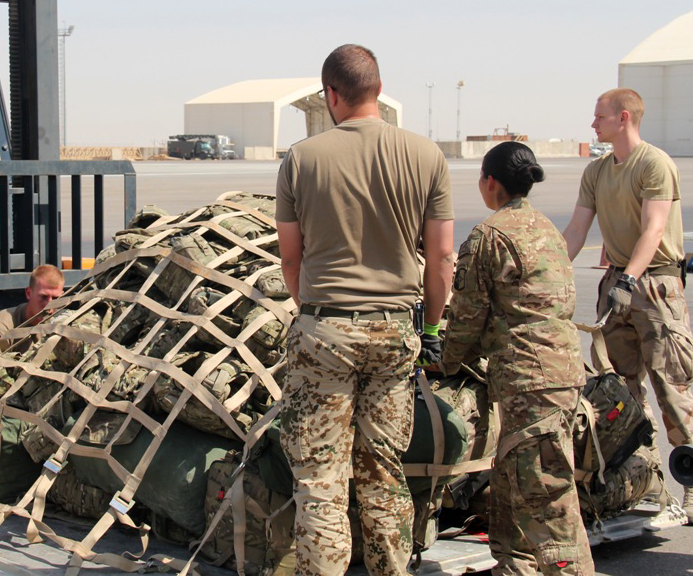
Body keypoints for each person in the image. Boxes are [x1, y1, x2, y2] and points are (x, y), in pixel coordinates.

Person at [275, 44, 454, 576]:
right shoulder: (426, 156)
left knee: (321, 481)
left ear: (332, 93)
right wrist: (434, 327)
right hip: (397, 331)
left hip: (326, 327)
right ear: (379, 88)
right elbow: (441, 257)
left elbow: (290, 257)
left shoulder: (303, 158)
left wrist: (311, 308)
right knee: (383, 471)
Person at [442, 142, 594, 575]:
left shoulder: (490, 235)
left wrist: (447, 360)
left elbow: (467, 316)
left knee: (547, 494)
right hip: (560, 371)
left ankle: (569, 569)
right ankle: (515, 566)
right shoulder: (546, 228)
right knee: (510, 480)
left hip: (530, 381)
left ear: (490, 183)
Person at [561, 88, 693, 517]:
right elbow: (578, 231)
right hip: (618, 284)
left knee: (673, 391)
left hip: (655, 287)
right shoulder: (597, 171)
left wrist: (631, 278)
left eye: (598, 117)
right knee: (622, 393)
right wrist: (551, 275)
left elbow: (654, 230)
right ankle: (648, 480)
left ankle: (691, 483)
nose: (593, 124)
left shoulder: (654, 163)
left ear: (623, 118)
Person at [0, 264, 65, 349]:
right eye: (43, 297)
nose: (49, 305)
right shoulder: (1, 328)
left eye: (55, 298)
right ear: (28, 293)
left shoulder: (58, 323)